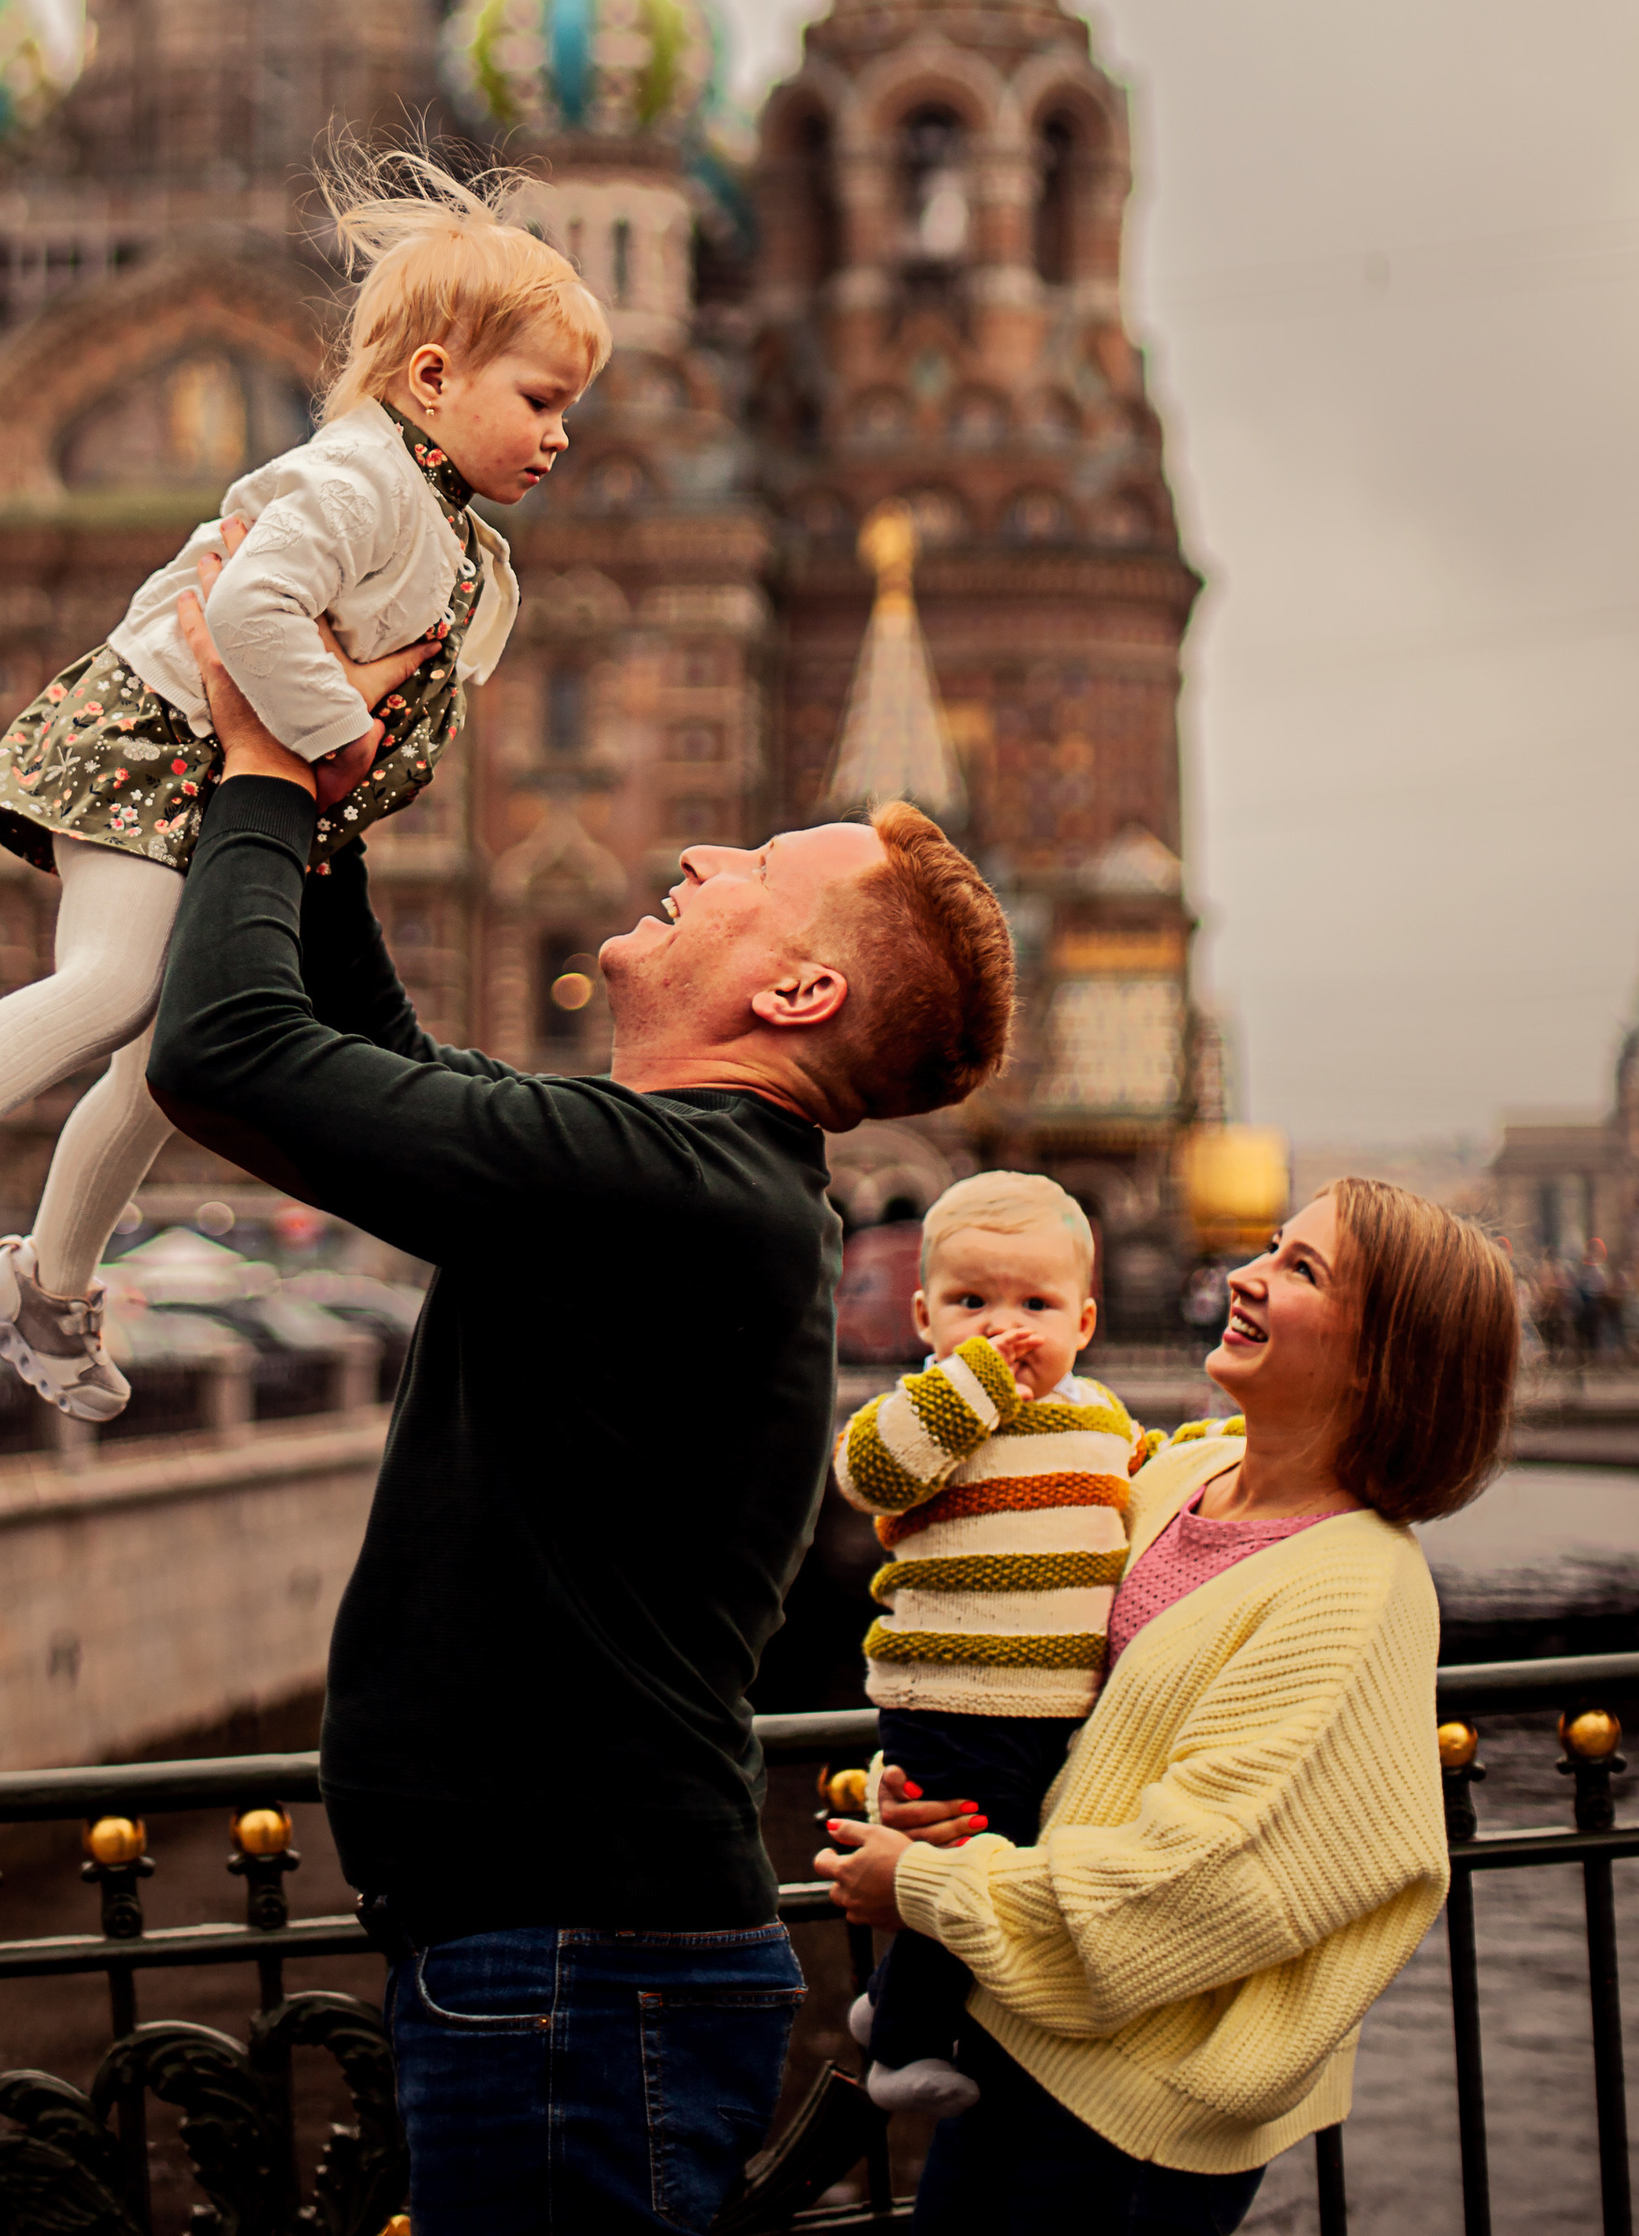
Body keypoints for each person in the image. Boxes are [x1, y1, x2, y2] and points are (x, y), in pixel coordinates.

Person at [146, 574, 1016, 2236]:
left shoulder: (681, 1187)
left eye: (751, 876)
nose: (697, 860)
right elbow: (372, 1053)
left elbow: (233, 1055)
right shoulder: (682, 1176)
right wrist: (329, 794)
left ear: (799, 997)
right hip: (567, 1953)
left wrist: (258, 770)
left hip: (573, 1967)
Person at [0, 153, 607, 1412]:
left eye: (569, 412)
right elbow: (254, 605)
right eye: (540, 400)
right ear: (430, 378)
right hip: (149, 745)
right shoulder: (362, 477)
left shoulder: (443, 522)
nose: (557, 436)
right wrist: (343, 742)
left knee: (171, 1057)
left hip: (206, 780)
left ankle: (40, 1289)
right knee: (110, 987)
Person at [819, 1178, 1520, 2231]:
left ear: (1381, 1355)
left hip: (1128, 2113)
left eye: (1301, 1269)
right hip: (1018, 2035)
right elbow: (1021, 1671)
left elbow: (1198, 1883)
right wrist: (931, 1797)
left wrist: (927, 1887)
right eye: (1272, 1246)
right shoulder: (1172, 1472)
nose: (1243, 1273)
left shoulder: (1353, 1588)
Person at [834, 1170, 1147, 2117]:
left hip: (1051, 1705)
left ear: (1082, 1324)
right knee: (966, 1867)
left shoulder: (1097, 1413)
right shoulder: (935, 1410)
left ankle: (889, 2003)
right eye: (972, 1303)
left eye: (1034, 1304)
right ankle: (901, 2050)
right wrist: (965, 1387)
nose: (1003, 1326)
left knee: (1001, 1860)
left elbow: (1139, 1480)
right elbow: (869, 1472)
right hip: (950, 1696)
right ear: (926, 1316)